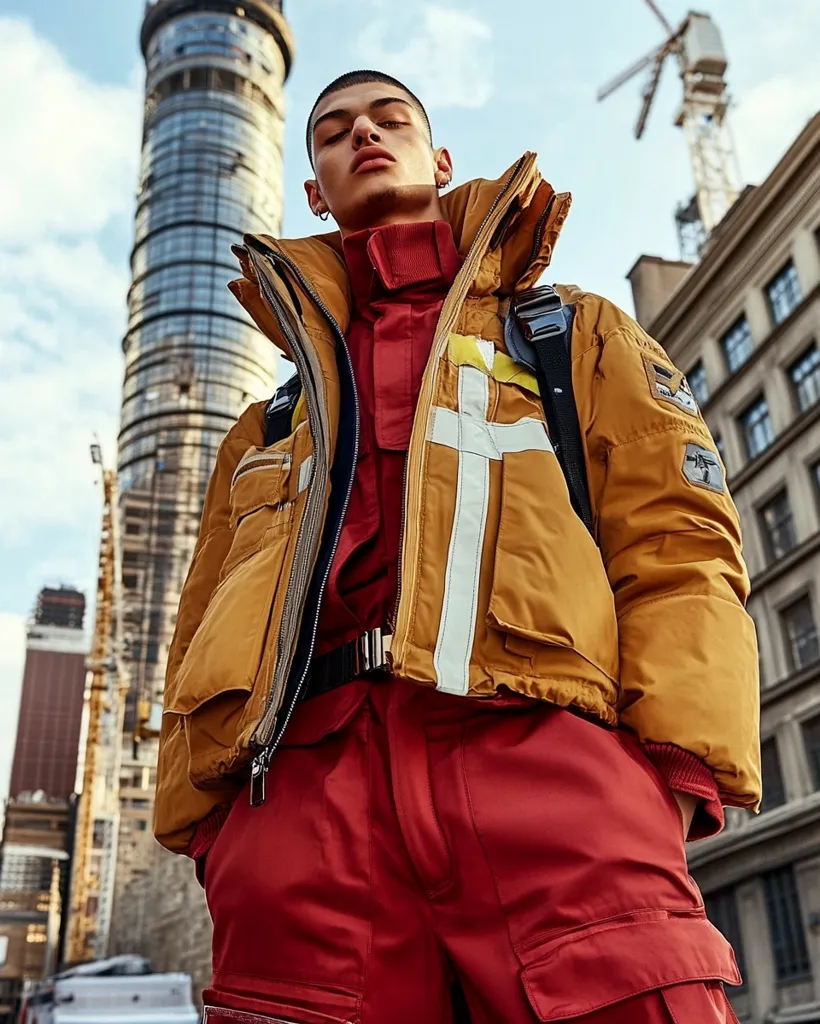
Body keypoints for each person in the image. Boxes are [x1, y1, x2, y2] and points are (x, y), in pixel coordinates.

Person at [155, 69, 761, 1023]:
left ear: (439, 161)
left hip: (552, 769)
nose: (364, 134)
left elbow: (680, 544)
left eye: (389, 119)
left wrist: (677, 775)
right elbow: (196, 630)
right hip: (306, 810)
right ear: (314, 190)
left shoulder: (572, 333)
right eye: (333, 132)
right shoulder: (267, 424)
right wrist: (209, 827)